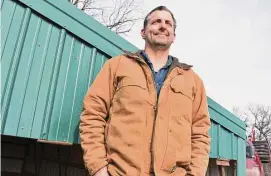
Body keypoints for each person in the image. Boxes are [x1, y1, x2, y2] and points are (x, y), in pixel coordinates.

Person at [79, 6, 211, 176]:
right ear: (143, 32)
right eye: (156, 22)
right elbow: (92, 115)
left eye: (168, 23)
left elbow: (200, 134)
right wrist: (98, 169)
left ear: (174, 36)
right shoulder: (118, 66)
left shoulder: (192, 80)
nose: (163, 26)